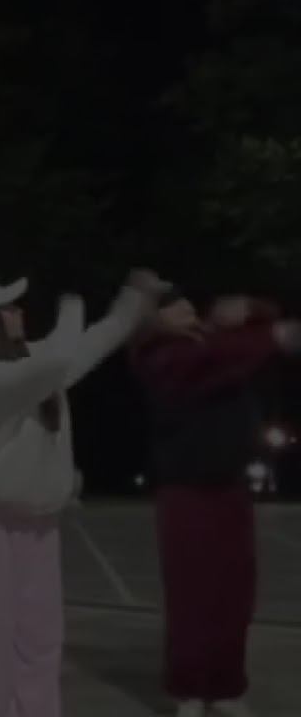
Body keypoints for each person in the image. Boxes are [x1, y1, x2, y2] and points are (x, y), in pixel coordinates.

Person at [0, 269, 168, 717]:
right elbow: (60, 359)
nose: (18, 313)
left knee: (41, 637)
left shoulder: (34, 362)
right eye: (6, 309)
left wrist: (134, 297)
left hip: (40, 522)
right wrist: (72, 305)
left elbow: (98, 341)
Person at [130, 290, 301, 717]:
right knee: (191, 595)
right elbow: (211, 361)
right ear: (154, 319)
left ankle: (226, 685)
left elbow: (254, 327)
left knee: (234, 594)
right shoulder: (157, 354)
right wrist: (271, 337)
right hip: (185, 492)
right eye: (173, 306)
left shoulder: (220, 346)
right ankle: (188, 688)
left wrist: (253, 308)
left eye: (188, 303)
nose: (187, 309)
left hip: (231, 487)